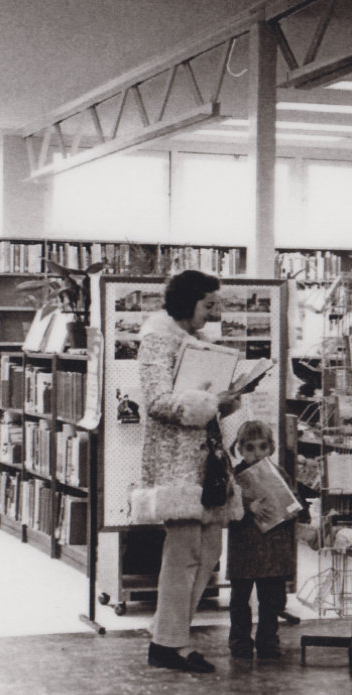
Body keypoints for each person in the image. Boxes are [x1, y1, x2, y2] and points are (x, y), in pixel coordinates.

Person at [134, 269, 242, 673]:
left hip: (203, 459)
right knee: (185, 552)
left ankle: (167, 631)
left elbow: (199, 401)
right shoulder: (156, 339)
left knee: (209, 549)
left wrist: (224, 401)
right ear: (187, 301)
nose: (214, 313)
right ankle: (169, 643)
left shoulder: (195, 342)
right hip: (175, 461)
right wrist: (209, 402)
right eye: (208, 304)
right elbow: (157, 400)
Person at [226, 420, 300, 660]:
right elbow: (226, 510)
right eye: (250, 448)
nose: (257, 454)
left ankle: (268, 641)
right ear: (240, 449)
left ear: (271, 447)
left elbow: (293, 500)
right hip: (244, 548)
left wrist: (294, 510)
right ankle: (240, 642)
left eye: (262, 447)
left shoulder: (279, 474)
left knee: (271, 600)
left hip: (272, 549)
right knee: (239, 599)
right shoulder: (234, 477)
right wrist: (248, 508)